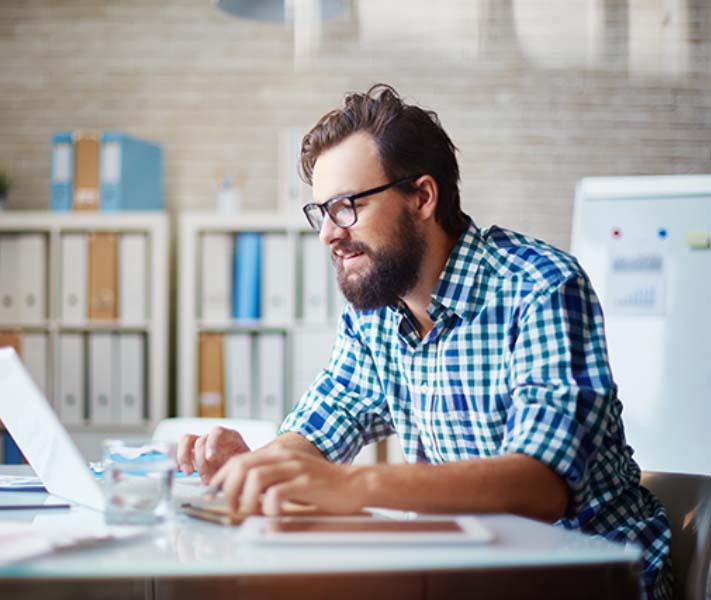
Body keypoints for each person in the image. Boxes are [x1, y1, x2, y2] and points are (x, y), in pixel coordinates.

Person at [177, 84, 671, 599]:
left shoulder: (541, 285)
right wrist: (257, 469)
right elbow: (321, 429)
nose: (327, 233)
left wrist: (351, 487)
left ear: (423, 197)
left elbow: (541, 486)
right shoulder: (377, 312)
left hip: (588, 579)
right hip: (473, 574)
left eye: (346, 206)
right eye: (321, 212)